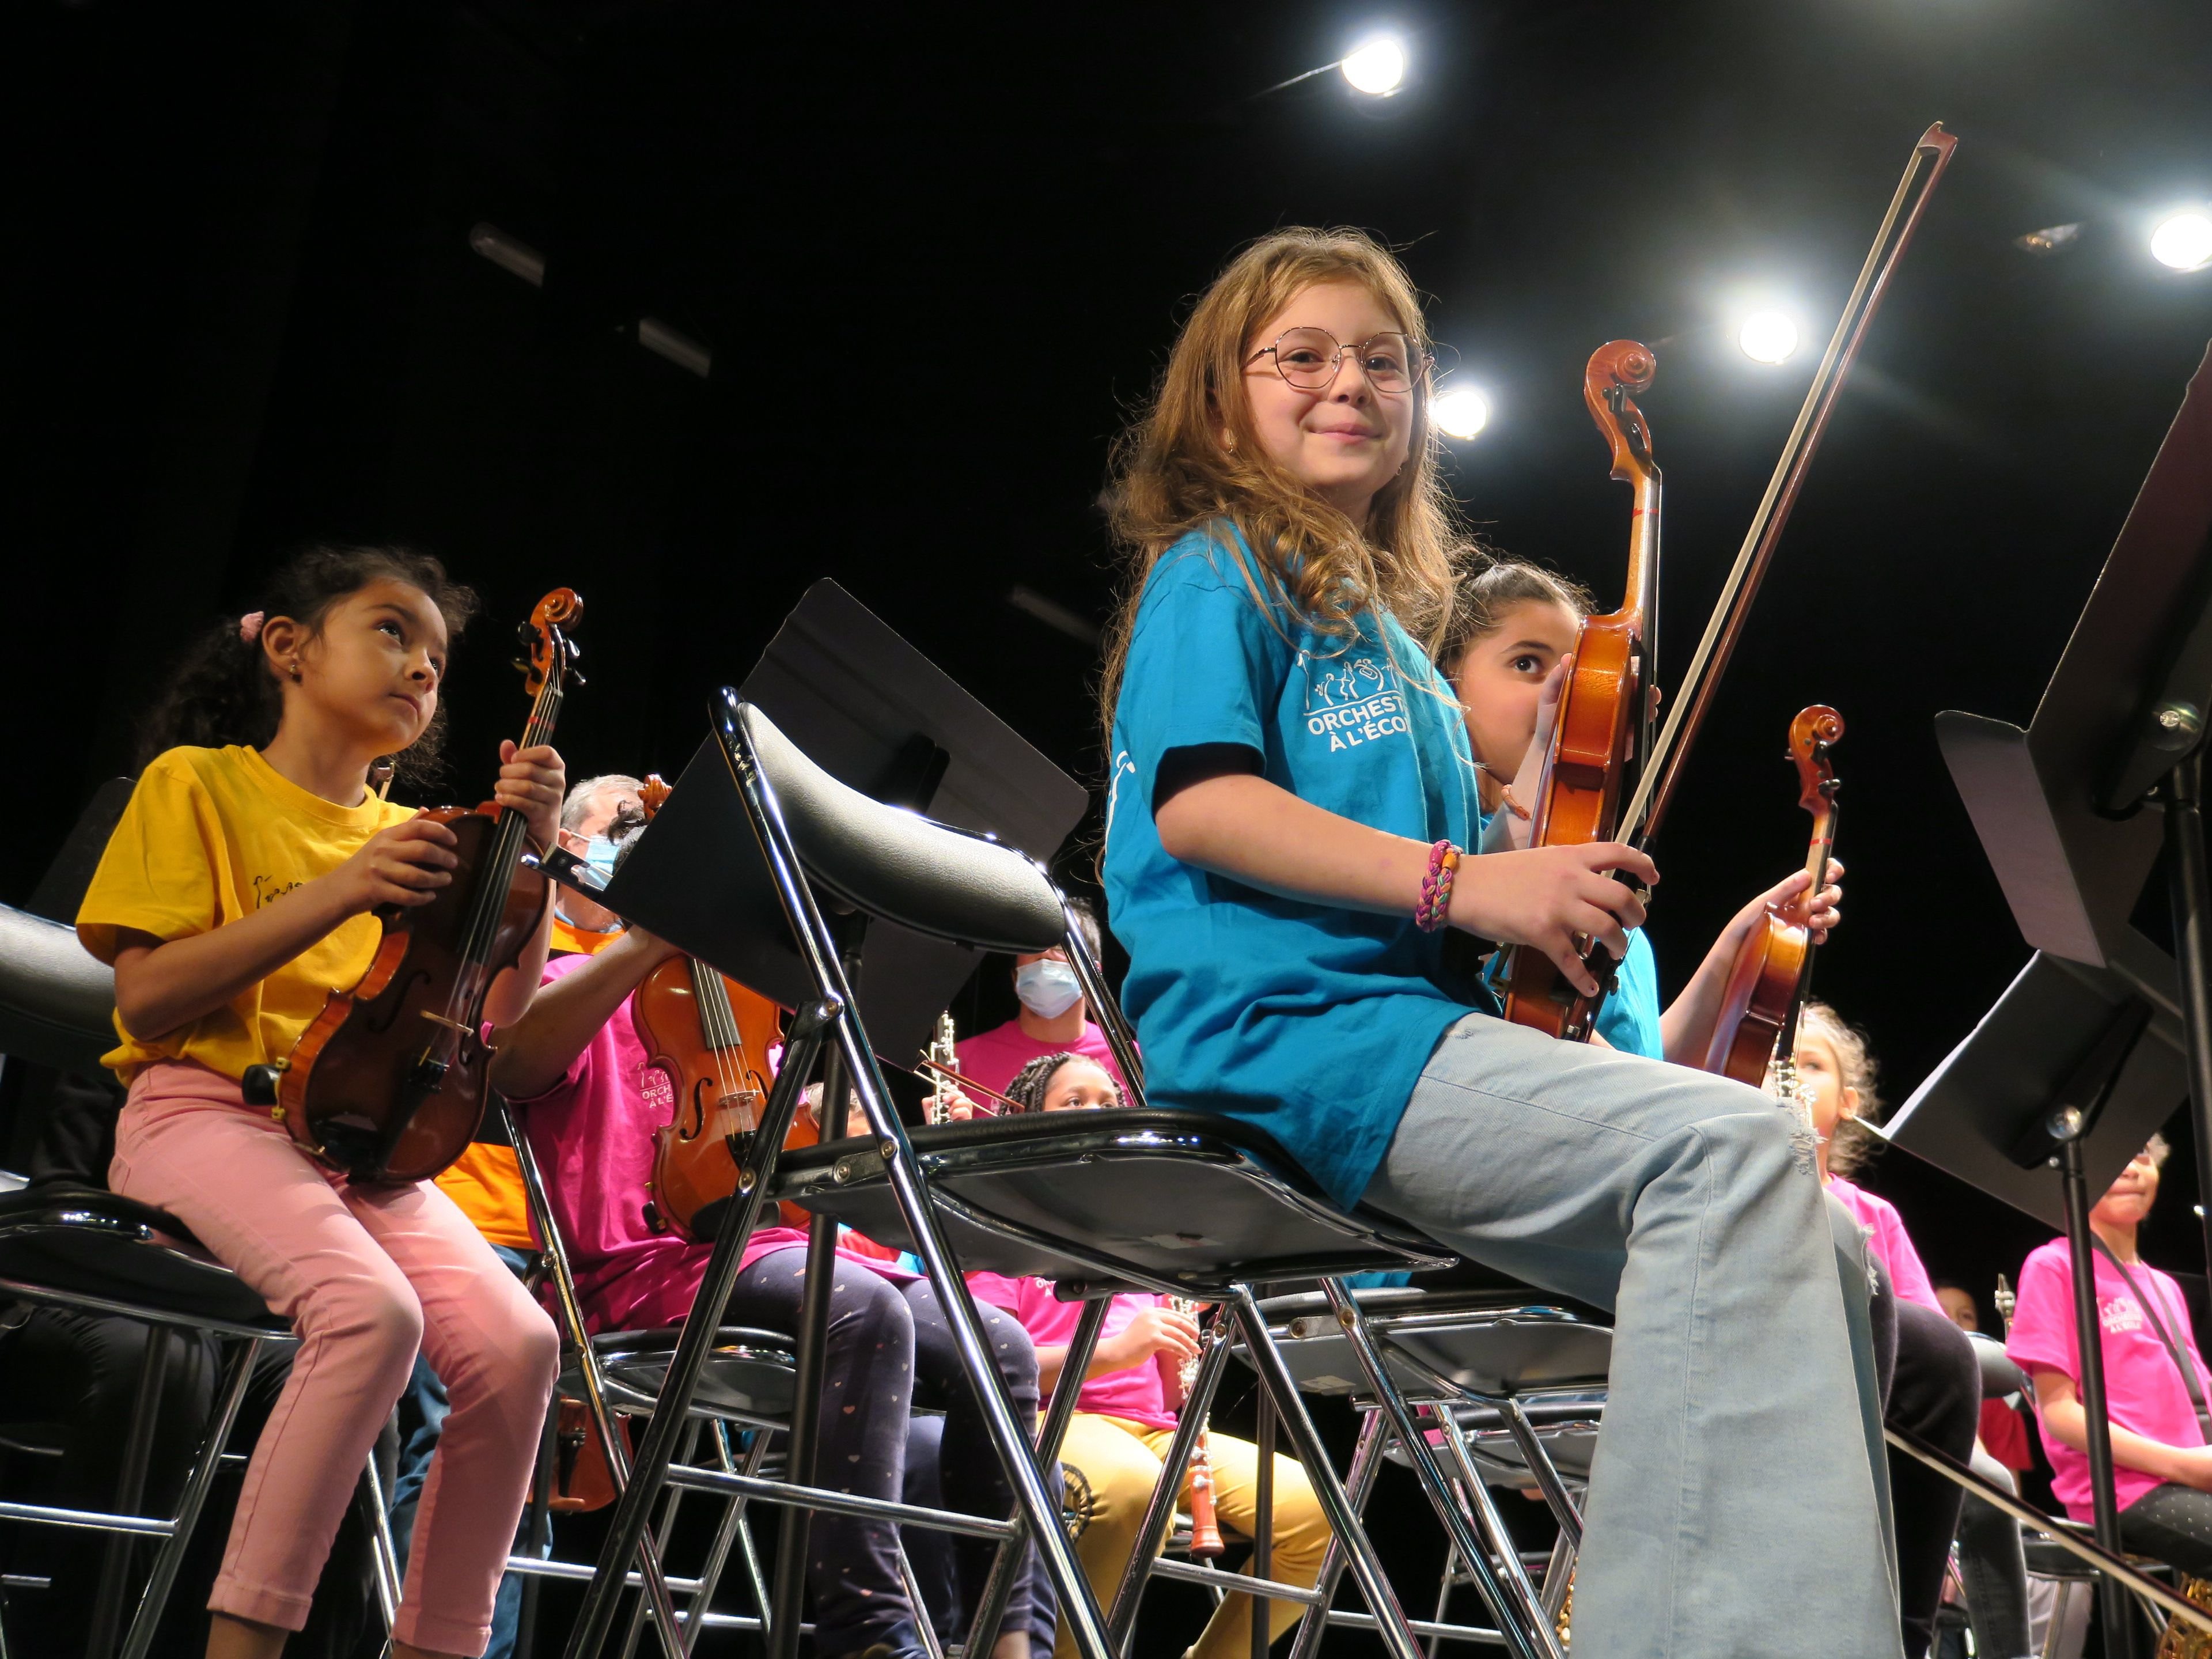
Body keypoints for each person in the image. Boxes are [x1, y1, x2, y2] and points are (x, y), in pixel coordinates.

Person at [1099, 226, 1899, 1657]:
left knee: (1832, 1252)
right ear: (1221, 398)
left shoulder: (1397, 646)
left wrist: (1545, 909)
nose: (1346, 380)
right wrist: (1467, 883)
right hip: (1296, 1046)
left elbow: (1471, 906)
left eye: (1381, 359)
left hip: (1411, 1046)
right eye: (1300, 354)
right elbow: (1204, 805)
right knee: (1734, 1154)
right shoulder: (1218, 569)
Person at [74, 544, 566, 1659]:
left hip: (355, 1146)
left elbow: (490, 1010)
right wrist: (338, 890)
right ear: (290, 650)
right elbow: (148, 998)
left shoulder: (422, 836)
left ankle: (437, 1646)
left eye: (438, 660)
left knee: (520, 1344)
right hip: (198, 1113)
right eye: (392, 631)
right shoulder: (197, 782)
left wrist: (525, 862)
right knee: (371, 1315)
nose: (422, 669)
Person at [484, 915, 1048, 1659]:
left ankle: (1013, 1642)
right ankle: (871, 1633)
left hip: (766, 1248)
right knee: (865, 1308)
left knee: (1000, 1342)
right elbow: (514, 1064)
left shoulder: (745, 1010)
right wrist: (653, 936)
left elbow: (770, 1174)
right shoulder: (573, 985)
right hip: (639, 1265)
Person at [387, 770, 647, 1658]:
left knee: (529, 1491)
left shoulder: (661, 967)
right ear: (570, 840)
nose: (640, 840)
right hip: (477, 1222)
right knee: (462, 1446)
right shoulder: (516, 916)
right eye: (625, 825)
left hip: (586, 1252)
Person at [973, 1051, 1329, 1659]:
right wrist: (1116, 1351)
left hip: (1153, 1431)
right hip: (1053, 1419)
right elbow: (988, 1357)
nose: (1097, 1113)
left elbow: (1163, 1395)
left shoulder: (1140, 1231)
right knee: (1134, 1490)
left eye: (1109, 1103)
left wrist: (1188, 1332)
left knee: (1315, 1514)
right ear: (1031, 1120)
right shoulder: (1001, 1222)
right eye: (1074, 1103)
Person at [1787, 1005, 1985, 1659]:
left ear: (1847, 1103)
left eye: (1811, 1064)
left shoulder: (1874, 1213)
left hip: (1881, 1400)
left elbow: (1920, 1325)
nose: (1790, 1074)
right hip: (1798, 1390)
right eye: (1778, 1059)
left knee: (1998, 1479)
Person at [2007, 1136, 2212, 1577]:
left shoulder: (2166, 1286)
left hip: (2195, 1475)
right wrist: (2185, 1466)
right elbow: (2059, 1414)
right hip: (2127, 1490)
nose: (2131, 1168)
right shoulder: (2052, 1266)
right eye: (2111, 1157)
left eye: (2141, 1153)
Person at [953, 900, 1131, 1101]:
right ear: (1015, 976)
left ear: (1093, 973)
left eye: (1059, 945)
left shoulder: (1131, 1060)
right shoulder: (961, 1062)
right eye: (1033, 945)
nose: (1044, 954)